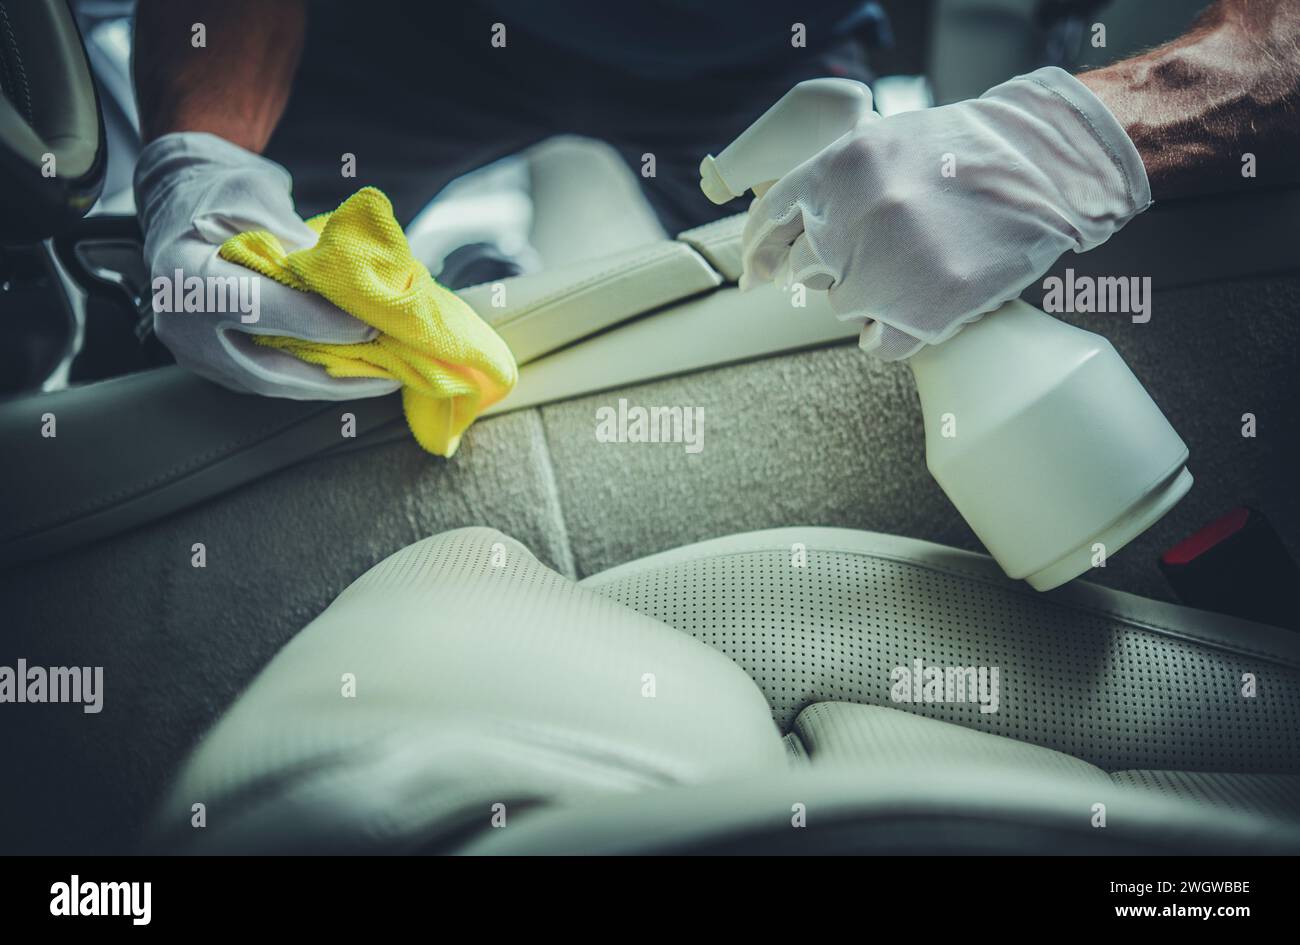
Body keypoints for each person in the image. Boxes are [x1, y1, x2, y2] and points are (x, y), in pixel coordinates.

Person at [132, 0, 1300, 396]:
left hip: (757, 57)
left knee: (841, 344)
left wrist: (1078, 141)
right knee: (235, 322)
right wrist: (198, 160)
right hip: (413, 36)